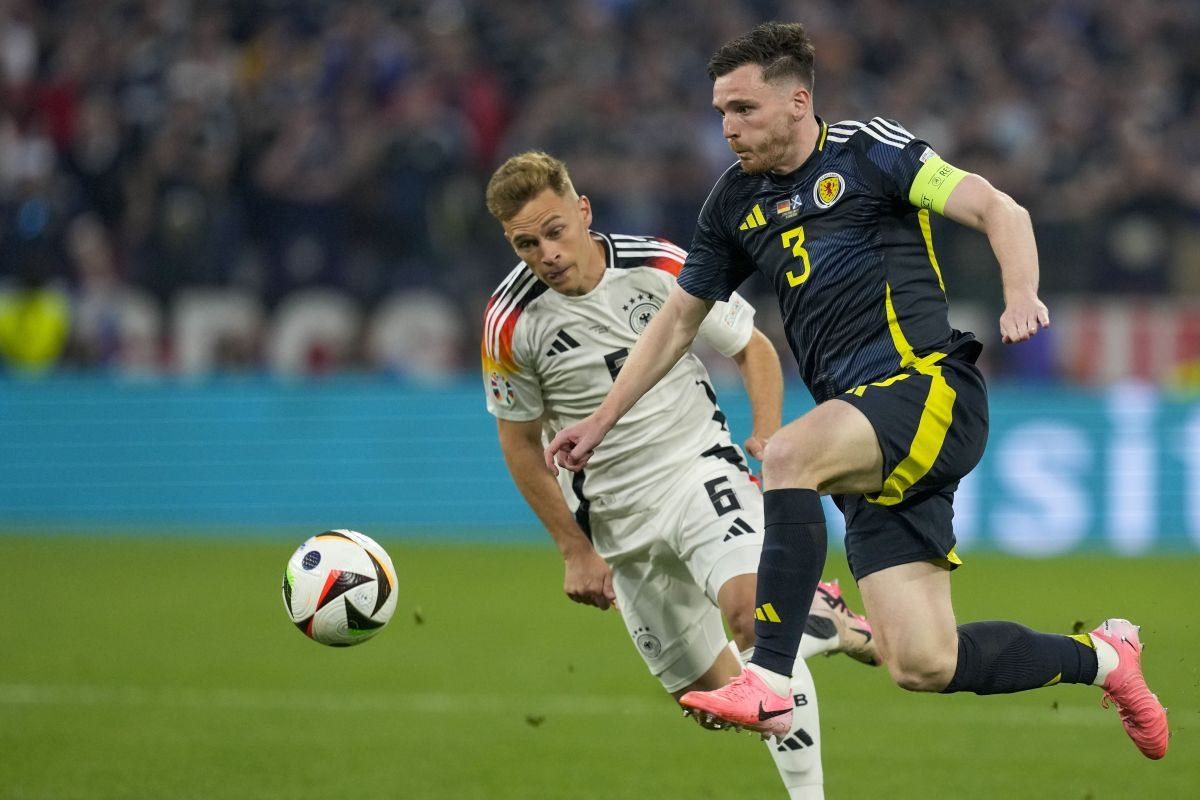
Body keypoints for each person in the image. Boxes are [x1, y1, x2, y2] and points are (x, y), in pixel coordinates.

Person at [544, 22, 1168, 761]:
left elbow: (1001, 210)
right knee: (923, 662)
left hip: (929, 387)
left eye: (743, 109)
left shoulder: (870, 152)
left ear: (796, 102)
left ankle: (768, 676)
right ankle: (1105, 659)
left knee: (788, 455)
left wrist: (1021, 293)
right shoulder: (734, 202)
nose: (727, 128)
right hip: (865, 433)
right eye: (720, 112)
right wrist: (602, 420)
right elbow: (680, 319)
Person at [483, 151, 880, 799]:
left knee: (754, 620)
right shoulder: (510, 322)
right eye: (527, 244)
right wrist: (575, 550)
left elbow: (752, 347)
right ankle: (823, 622)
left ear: (583, 211)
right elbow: (520, 444)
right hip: (618, 525)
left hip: (697, 471)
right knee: (717, 703)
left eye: (555, 231)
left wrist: (767, 438)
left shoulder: (660, 266)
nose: (547, 254)